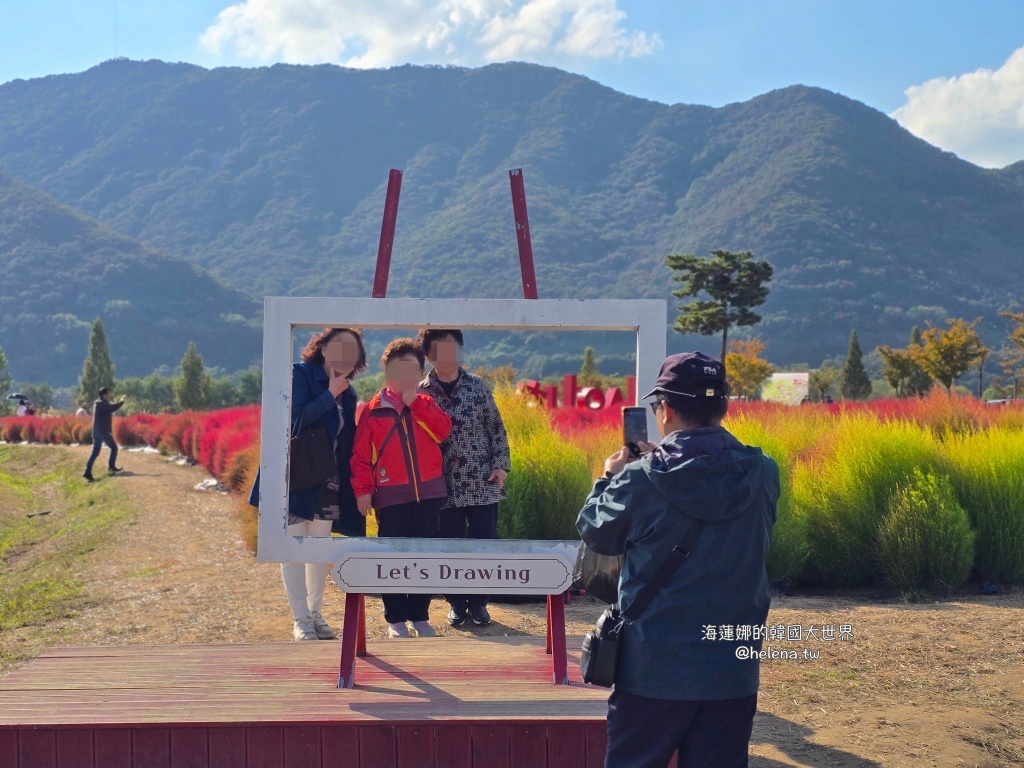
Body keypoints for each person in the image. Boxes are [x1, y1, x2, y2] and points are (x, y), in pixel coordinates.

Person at [576, 352, 780, 768]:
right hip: (731, 668)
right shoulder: (763, 471)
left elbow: (595, 530)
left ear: (665, 409)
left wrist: (608, 478)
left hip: (654, 668)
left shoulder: (640, 478)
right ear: (723, 406)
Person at [249, 327, 367, 641]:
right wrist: (330, 395)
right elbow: (293, 420)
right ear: (323, 348)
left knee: (319, 551)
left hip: (327, 481)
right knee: (294, 548)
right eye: (339, 346)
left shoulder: (349, 392)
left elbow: (345, 443)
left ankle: (315, 614)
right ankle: (300, 619)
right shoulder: (300, 375)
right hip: (295, 477)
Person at [351, 338, 452, 639]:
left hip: (429, 493)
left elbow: (443, 431)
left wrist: (416, 405)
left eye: (413, 370)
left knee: (424, 555)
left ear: (420, 372)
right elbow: (359, 456)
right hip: (391, 495)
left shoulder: (426, 402)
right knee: (393, 556)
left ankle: (419, 616)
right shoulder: (373, 409)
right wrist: (363, 490)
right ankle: (395, 619)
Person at [417, 328, 511, 628]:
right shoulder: (421, 392)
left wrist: (501, 466)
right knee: (449, 545)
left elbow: (496, 428)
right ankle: (456, 604)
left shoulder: (478, 387)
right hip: (442, 484)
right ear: (428, 355)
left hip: (482, 481)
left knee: (484, 544)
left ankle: (480, 604)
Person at [83, 388, 125, 482]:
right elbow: (112, 408)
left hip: (97, 432)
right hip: (102, 432)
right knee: (114, 448)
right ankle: (111, 467)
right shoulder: (101, 403)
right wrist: (122, 401)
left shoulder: (100, 403)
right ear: (104, 395)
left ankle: (87, 472)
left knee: (95, 453)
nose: (110, 395)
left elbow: (109, 409)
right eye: (108, 394)